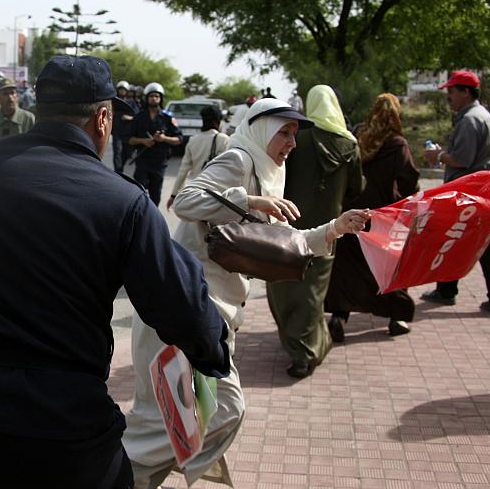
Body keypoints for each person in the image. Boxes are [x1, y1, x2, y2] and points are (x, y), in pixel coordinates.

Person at [0, 54, 231, 489]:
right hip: (67, 435)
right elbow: (187, 313)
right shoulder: (124, 202)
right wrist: (215, 351)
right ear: (101, 118)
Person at [124, 98, 369, 487]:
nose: (291, 142)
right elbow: (187, 200)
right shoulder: (239, 160)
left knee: (181, 418)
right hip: (182, 305)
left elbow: (280, 243)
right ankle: (118, 464)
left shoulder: (272, 173)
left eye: (294, 134)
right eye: (284, 131)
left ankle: (126, 470)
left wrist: (336, 228)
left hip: (210, 313)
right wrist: (246, 200)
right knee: (210, 412)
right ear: (260, 129)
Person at [264, 85, 364, 378]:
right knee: (313, 292)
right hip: (330, 229)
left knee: (284, 287)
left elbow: (276, 174)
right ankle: (308, 348)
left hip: (289, 224)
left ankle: (301, 351)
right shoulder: (350, 144)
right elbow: (356, 189)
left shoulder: (297, 138)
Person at [325, 93, 420, 341]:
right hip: (385, 216)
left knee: (348, 267)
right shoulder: (398, 144)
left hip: (353, 212)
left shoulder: (359, 140)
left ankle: (339, 316)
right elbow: (409, 180)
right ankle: (397, 317)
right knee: (388, 266)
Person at [421, 71, 490, 317]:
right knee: (461, 241)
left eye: (451, 91)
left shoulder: (470, 120)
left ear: (465, 92)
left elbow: (462, 159)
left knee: (481, 244)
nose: (448, 97)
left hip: (474, 194)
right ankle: (450, 290)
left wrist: (438, 156)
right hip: (483, 193)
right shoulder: (480, 116)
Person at [128, 82, 182, 206]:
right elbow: (129, 139)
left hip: (159, 162)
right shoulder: (139, 117)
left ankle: (152, 219)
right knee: (139, 193)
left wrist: (164, 138)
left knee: (155, 195)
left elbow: (179, 139)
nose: (154, 98)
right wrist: (143, 141)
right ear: (147, 98)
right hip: (142, 161)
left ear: (161, 98)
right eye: (151, 96)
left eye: (157, 96)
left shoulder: (168, 118)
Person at [166, 105, 229, 210]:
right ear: (218, 121)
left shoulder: (193, 140)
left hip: (196, 192)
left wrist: (173, 195)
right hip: (217, 194)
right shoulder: (224, 139)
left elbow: (183, 171)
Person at [0, 77, 35, 141]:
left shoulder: (28, 119)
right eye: (5, 94)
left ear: (17, 95)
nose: (10, 97)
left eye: (12, 93)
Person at [111, 80, 133, 174]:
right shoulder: (113, 101)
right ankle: (118, 172)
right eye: (120, 90)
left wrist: (129, 118)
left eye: (124, 90)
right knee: (117, 152)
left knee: (127, 153)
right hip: (116, 131)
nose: (122, 92)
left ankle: (121, 167)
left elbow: (137, 115)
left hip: (127, 132)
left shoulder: (131, 102)